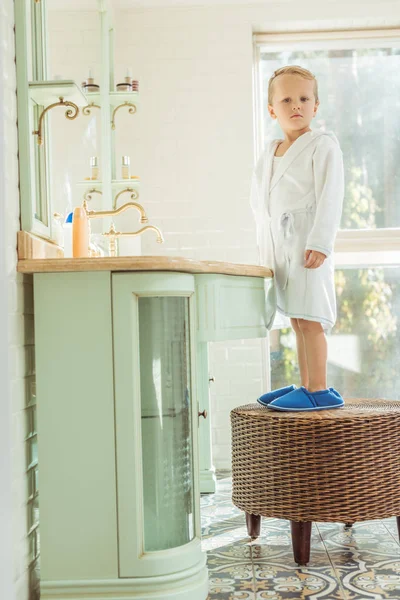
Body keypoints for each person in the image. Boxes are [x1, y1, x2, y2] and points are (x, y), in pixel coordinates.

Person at [250, 65, 344, 412]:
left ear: (316, 106)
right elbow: (260, 203)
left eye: (304, 98)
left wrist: (320, 242)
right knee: (295, 317)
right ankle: (305, 384)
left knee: (312, 316)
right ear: (272, 109)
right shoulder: (270, 152)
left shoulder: (323, 145)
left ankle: (318, 388)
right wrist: (266, 248)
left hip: (308, 245)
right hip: (282, 247)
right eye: (286, 99)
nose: (296, 105)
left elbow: (331, 195)